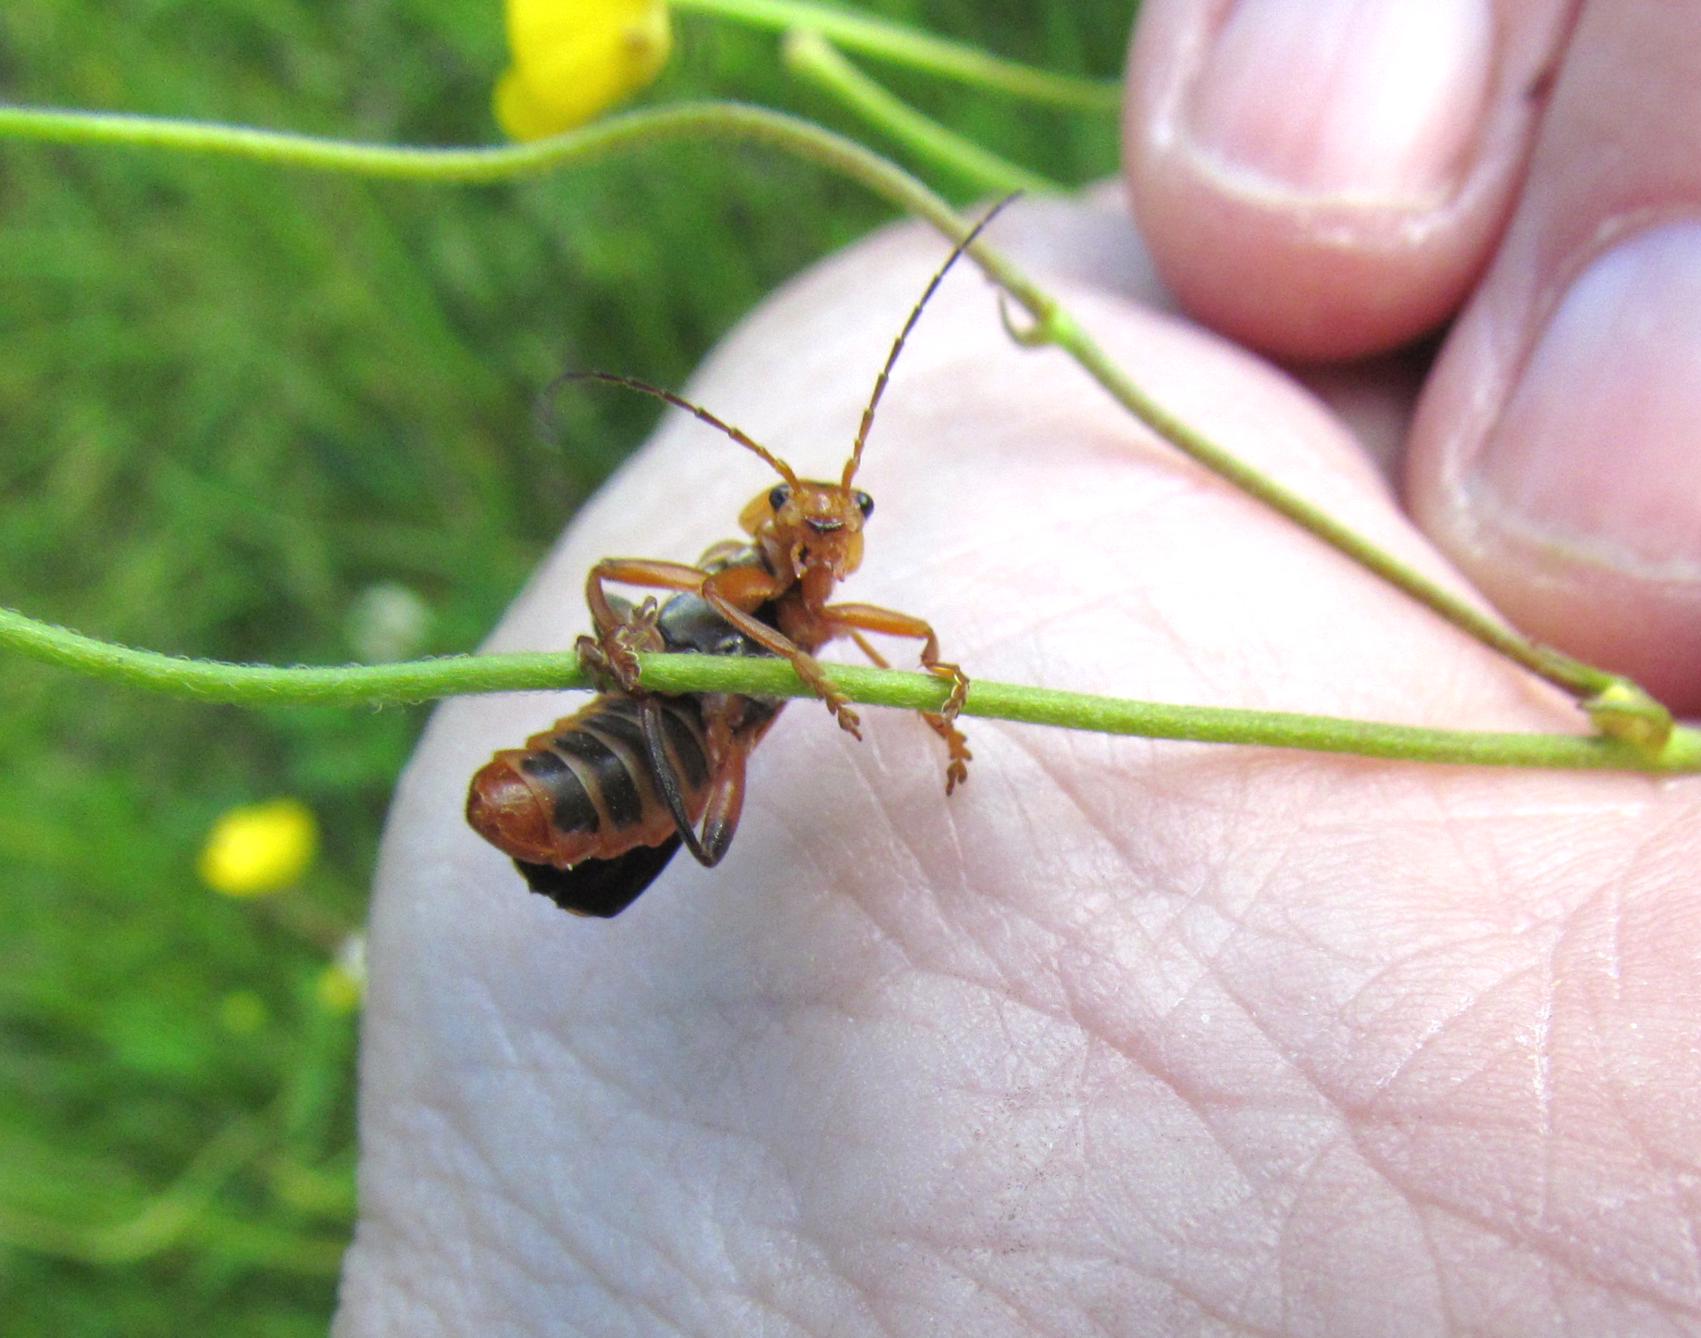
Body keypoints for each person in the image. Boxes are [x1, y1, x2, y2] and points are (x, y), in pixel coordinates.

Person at [336, 4, 1701, 1332]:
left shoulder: (834, 629)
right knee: (691, 674)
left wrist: (933, 709)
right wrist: (746, 667)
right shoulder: (729, 593)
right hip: (628, 752)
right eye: (798, 526)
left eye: (841, 524)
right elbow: (668, 611)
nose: (823, 544)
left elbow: (919, 652)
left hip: (678, 768)